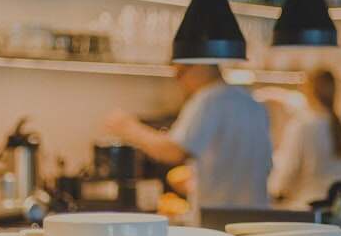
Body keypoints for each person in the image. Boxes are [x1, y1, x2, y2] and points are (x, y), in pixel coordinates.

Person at [103, 64, 272, 208]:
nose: (178, 79)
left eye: (181, 71)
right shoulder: (249, 100)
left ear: (200, 66)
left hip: (220, 215)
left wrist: (129, 128)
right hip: (258, 212)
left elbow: (173, 151)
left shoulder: (208, 99)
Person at [268, 69, 341, 207]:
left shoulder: (303, 125)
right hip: (339, 206)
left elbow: (289, 171)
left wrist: (275, 191)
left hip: (307, 207)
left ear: (309, 91)